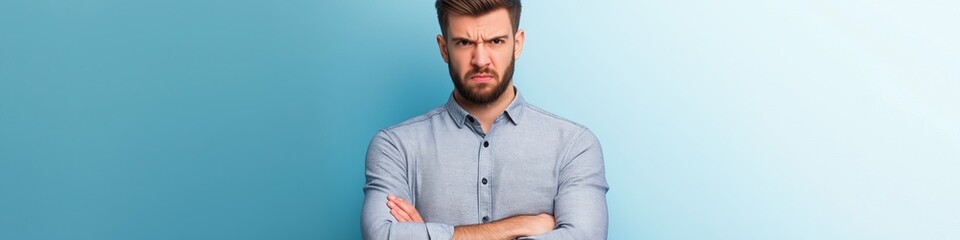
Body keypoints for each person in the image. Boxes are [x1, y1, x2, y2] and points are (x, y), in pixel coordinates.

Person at [361, 0, 608, 239]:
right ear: (444, 48)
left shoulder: (574, 145)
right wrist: (520, 225)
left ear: (517, 44)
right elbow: (382, 235)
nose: (480, 60)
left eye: (496, 41)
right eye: (464, 42)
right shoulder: (395, 146)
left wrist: (432, 235)